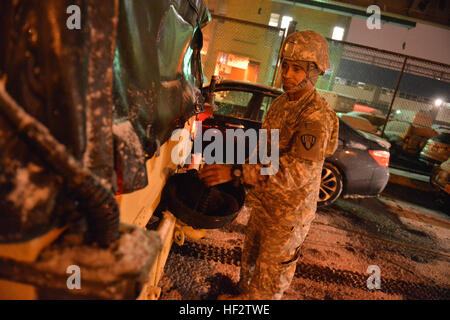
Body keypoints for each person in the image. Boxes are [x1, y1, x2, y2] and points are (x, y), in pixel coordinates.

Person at [199, 30, 339, 300]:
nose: (286, 74)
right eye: (285, 66)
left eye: (296, 69)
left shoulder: (316, 116)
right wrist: (239, 176)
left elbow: (296, 173)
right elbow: (266, 153)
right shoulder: (279, 104)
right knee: (250, 267)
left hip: (287, 216)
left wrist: (238, 172)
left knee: (269, 280)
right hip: (264, 205)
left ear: (314, 73)